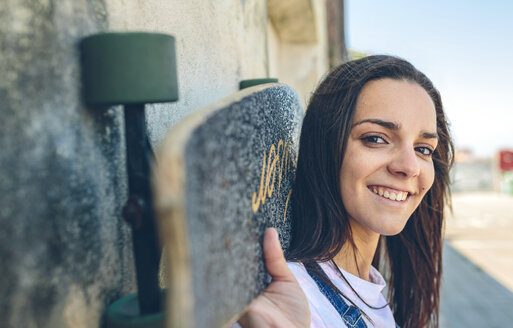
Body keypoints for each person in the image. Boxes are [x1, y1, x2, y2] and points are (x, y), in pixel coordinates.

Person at [239, 55, 453, 328]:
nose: (410, 167)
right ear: (325, 147)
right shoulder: (290, 301)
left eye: (423, 149)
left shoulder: (370, 292)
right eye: (375, 139)